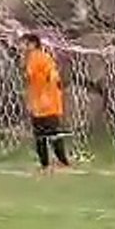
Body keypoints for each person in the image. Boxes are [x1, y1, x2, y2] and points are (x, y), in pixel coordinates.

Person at [22, 33, 70, 171]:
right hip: (41, 103)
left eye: (24, 44)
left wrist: (46, 94)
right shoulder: (35, 58)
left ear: (32, 44)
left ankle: (58, 163)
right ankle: (50, 164)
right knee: (45, 135)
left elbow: (52, 74)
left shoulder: (39, 57)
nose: (21, 47)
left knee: (48, 134)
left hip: (46, 104)